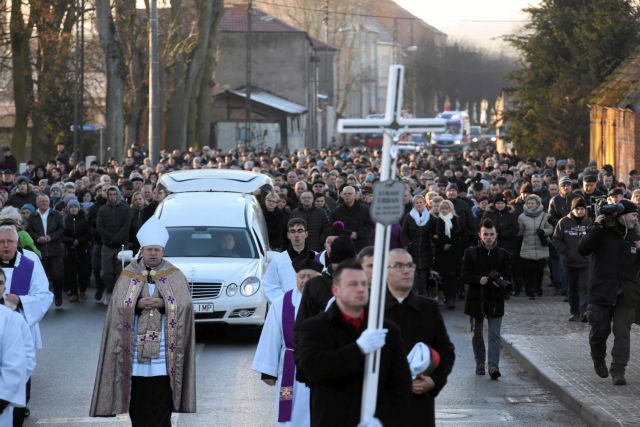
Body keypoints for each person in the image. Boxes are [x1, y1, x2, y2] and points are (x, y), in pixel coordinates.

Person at [90, 217, 196, 424]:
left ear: (163, 251)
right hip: (135, 353)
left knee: (160, 402)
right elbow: (117, 306)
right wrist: (136, 305)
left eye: (157, 249)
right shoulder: (129, 273)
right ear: (142, 250)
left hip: (164, 354)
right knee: (137, 402)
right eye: (149, 249)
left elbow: (186, 306)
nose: (153, 253)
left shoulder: (174, 274)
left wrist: (165, 304)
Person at [295, 260, 411, 427]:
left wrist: (381, 419)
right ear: (336, 290)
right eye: (352, 284)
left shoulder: (387, 330)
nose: (360, 289)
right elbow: (314, 369)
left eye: (364, 284)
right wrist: (358, 349)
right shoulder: (315, 328)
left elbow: (401, 384)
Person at [384, 249, 455, 426]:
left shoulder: (428, 308)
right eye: (399, 266)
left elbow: (446, 352)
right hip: (383, 407)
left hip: (418, 406)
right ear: (385, 271)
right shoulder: (372, 309)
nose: (406, 270)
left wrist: (434, 381)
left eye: (410, 266)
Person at [252, 254, 323, 427]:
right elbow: (272, 336)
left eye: (310, 277)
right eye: (301, 276)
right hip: (290, 368)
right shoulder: (281, 303)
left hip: (319, 366)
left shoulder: (326, 301)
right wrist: (268, 371)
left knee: (318, 409)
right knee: (287, 410)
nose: (305, 281)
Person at [578, 199, 640, 385]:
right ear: (622, 215)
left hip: (626, 294)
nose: (635, 219)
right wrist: (595, 225)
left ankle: (618, 370)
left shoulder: (634, 236)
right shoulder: (601, 232)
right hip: (602, 291)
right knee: (600, 332)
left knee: (622, 332)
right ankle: (598, 358)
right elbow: (582, 249)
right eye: (633, 215)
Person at [0, 225, 51, 426]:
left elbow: (44, 294)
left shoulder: (30, 262)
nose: (5, 246)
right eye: (1, 242)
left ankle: (18, 407)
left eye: (9, 241)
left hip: (19, 326)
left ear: (17, 243)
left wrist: (20, 300)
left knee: (19, 368)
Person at [463, 219, 511, 380]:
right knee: (476, 333)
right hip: (476, 298)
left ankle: (493, 366)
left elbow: (509, 277)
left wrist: (501, 282)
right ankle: (480, 363)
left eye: (491, 234)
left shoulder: (503, 254)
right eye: (485, 234)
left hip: (495, 298)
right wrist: (478, 280)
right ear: (480, 235)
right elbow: (464, 276)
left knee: (494, 334)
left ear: (496, 235)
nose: (489, 237)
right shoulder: (471, 253)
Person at [295, 236, 357, 328]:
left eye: (348, 265)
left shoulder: (362, 284)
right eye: (340, 265)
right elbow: (302, 325)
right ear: (332, 262)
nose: (344, 270)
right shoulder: (315, 285)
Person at [552, 197, 592, 322]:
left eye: (582, 209)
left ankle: (584, 311)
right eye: (577, 209)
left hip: (586, 261)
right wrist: (566, 252)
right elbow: (556, 239)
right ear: (572, 209)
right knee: (572, 288)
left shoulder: (590, 222)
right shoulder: (563, 222)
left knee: (585, 287)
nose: (580, 211)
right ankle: (574, 311)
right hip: (569, 261)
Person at [26, 194, 65, 307]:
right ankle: (44, 300)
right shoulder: (33, 216)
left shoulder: (56, 214)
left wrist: (50, 237)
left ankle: (58, 295)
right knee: (42, 279)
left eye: (46, 201)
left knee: (57, 275)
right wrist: (37, 238)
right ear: (37, 203)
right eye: (41, 201)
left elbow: (62, 228)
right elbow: (29, 230)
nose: (44, 203)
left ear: (49, 202)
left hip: (55, 250)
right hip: (39, 251)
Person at [263, 218, 314, 304]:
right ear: (288, 235)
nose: (296, 235)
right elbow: (269, 285)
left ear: (306, 234)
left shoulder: (316, 258)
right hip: (286, 307)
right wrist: (286, 301)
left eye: (300, 231)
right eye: (293, 231)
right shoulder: (278, 260)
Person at [96, 186, 132, 305]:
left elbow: (127, 225)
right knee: (106, 272)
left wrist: (117, 237)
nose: (112, 197)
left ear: (118, 195)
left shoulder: (125, 208)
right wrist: (110, 237)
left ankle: (119, 294)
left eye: (114, 194)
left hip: (122, 245)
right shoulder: (102, 209)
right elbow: (99, 226)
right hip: (107, 245)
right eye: (110, 194)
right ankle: (109, 291)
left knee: (121, 271)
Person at [430, 200, 466, 309]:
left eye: (447, 208)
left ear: (451, 209)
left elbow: (463, 237)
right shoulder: (437, 221)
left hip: (455, 253)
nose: (444, 211)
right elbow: (434, 236)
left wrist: (453, 245)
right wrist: (442, 244)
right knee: (444, 276)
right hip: (442, 253)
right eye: (442, 208)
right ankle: (447, 297)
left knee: (453, 276)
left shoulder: (458, 220)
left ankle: (452, 299)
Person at [517, 194, 553, 299]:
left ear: (538, 204)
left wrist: (543, 231)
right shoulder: (521, 217)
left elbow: (550, 229)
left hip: (541, 247)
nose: (530, 205)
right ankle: (530, 291)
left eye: (532, 203)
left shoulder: (544, 216)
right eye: (528, 203)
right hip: (527, 247)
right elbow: (519, 232)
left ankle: (538, 288)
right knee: (529, 272)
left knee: (539, 272)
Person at [401, 195, 435, 296]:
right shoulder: (409, 217)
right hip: (413, 249)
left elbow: (433, 232)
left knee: (423, 272)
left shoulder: (430, 217)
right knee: (414, 272)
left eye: (421, 202)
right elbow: (404, 233)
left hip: (425, 248)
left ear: (424, 203)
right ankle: (414, 294)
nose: (419, 204)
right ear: (414, 204)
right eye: (416, 203)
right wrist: (408, 243)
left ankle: (423, 294)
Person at [62, 199, 92, 302]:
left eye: (75, 207)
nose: (73, 209)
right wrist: (71, 241)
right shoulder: (65, 220)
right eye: (71, 207)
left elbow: (88, 234)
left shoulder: (84, 219)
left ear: (78, 208)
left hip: (83, 249)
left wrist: (79, 240)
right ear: (68, 209)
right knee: (71, 273)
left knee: (84, 272)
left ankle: (82, 291)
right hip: (70, 250)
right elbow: (62, 234)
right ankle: (74, 293)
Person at [330, 186, 374, 252]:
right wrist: (349, 234)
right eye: (345, 194)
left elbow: (370, 226)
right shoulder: (335, 212)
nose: (347, 196)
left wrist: (357, 234)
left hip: (361, 246)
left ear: (355, 195)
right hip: (343, 246)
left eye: (349, 194)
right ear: (342, 195)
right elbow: (334, 228)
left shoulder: (365, 210)